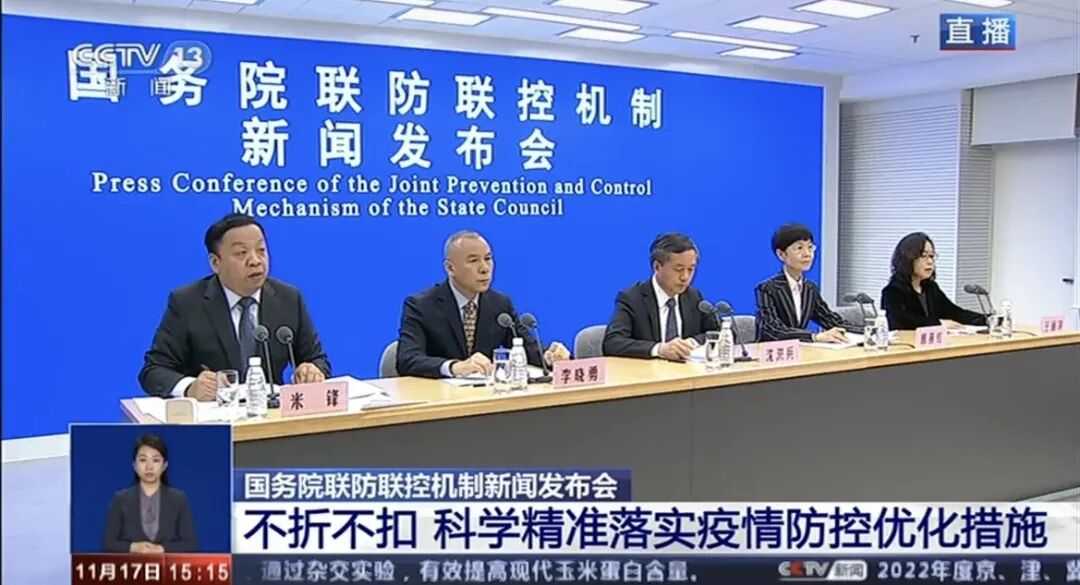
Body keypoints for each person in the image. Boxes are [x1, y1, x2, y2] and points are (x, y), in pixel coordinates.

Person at [138, 214, 331, 400]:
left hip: (273, 415)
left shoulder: (289, 298)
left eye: (261, 250)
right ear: (215, 263)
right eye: (241, 253)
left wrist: (312, 370)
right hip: (214, 416)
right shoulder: (187, 303)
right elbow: (153, 371)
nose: (255, 261)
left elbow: (318, 360)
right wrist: (190, 387)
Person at [396, 230, 571, 378]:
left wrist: (549, 356)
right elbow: (407, 359)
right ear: (450, 268)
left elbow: (526, 347)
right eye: (473, 261)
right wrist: (454, 367)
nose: (484, 268)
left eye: (488, 259)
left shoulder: (500, 304)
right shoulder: (421, 305)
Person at [603, 233, 719, 360]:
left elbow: (720, 333)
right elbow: (612, 343)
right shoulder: (632, 298)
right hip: (647, 371)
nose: (685, 277)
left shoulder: (693, 296)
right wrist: (659, 349)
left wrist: (692, 342)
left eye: (691, 269)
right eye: (679, 269)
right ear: (657, 267)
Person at [755, 223, 851, 343]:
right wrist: (814, 337)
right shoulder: (766, 288)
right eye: (799, 248)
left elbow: (831, 320)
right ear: (781, 254)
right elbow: (772, 329)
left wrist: (868, 331)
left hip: (801, 350)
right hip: (772, 351)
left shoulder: (810, 288)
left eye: (810, 247)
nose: (807, 254)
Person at [102, 434, 197, 553]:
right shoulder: (120, 499)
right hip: (130, 564)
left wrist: (162, 549)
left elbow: (190, 544)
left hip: (166, 564)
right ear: (134, 465)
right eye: (143, 460)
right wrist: (132, 547)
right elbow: (108, 543)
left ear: (164, 465)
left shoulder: (178, 499)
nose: (149, 467)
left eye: (156, 460)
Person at [880, 232, 987, 330]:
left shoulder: (931, 288)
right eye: (924, 256)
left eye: (931, 256)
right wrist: (937, 323)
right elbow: (900, 321)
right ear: (908, 259)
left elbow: (954, 312)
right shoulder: (893, 291)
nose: (930, 261)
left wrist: (985, 319)